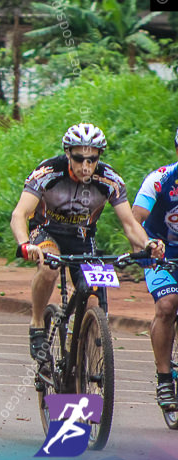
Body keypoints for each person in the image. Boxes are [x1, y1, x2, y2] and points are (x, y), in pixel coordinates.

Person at [10, 123, 162, 365]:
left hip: (83, 237)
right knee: (49, 268)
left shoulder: (109, 180)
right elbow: (20, 213)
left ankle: (79, 352)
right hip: (46, 232)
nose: (85, 166)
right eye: (79, 158)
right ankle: (37, 323)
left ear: (99, 157)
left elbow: (130, 224)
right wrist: (24, 244)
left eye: (91, 159)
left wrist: (148, 243)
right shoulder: (47, 172)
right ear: (67, 154)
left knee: (93, 297)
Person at [130, 129, 178, 410]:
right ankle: (163, 379)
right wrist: (147, 245)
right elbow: (135, 220)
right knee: (168, 305)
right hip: (159, 251)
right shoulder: (159, 179)